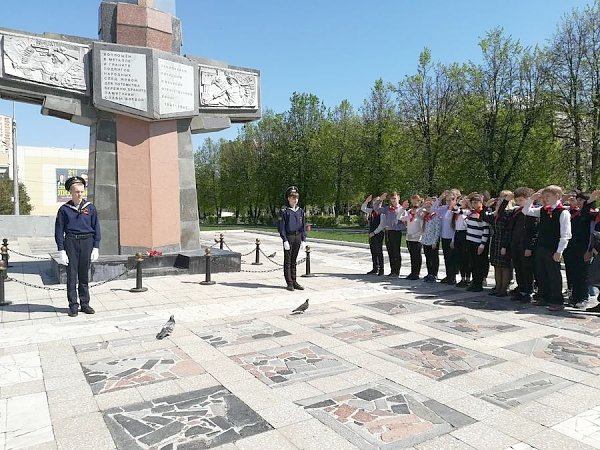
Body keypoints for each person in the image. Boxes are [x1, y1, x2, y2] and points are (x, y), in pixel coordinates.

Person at [54, 176, 100, 317]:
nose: (80, 194)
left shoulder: (90, 208)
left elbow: (96, 227)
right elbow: (58, 230)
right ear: (71, 192)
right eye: (76, 192)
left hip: (87, 242)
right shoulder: (64, 210)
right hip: (71, 243)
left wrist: (96, 246)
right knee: (72, 277)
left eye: (81, 191)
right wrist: (61, 250)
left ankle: (85, 304)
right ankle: (73, 305)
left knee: (84, 276)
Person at [524, 185, 572, 311]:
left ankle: (557, 300)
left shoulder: (563, 212)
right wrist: (531, 199)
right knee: (541, 273)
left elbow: (566, 234)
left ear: (557, 196)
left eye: (547, 196)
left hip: (553, 247)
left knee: (554, 275)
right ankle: (544, 297)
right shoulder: (543, 210)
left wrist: (559, 251)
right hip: (541, 246)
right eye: (544, 196)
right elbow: (526, 211)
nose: (545, 199)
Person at [563, 190, 599, 308]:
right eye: (577, 199)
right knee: (572, 273)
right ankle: (574, 296)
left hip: (584, 248)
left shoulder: (591, 214)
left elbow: (591, 233)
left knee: (582, 274)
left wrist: (589, 250)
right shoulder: (572, 213)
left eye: (581, 200)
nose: (578, 202)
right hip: (571, 247)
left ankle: (583, 297)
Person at [506, 187, 539, 303]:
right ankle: (521, 290)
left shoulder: (533, 212)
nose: (519, 202)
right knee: (518, 269)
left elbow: (535, 231)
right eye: (517, 200)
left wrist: (530, 247)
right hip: (516, 243)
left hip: (526, 246)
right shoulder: (516, 211)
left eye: (521, 200)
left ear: (529, 199)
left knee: (527, 270)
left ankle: (529, 291)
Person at [371, 192, 407, 277]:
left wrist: (394, 227)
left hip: (396, 232)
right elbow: (376, 209)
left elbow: (404, 225)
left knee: (396, 252)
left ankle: (396, 271)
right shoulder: (388, 209)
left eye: (395, 198)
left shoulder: (402, 209)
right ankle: (392, 271)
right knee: (390, 252)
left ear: (398, 198)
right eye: (391, 199)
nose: (393, 200)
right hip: (388, 233)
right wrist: (380, 200)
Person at [485, 191, 513, 297]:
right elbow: (484, 217)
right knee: (496, 265)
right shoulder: (495, 215)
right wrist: (486, 206)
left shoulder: (509, 213)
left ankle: (503, 289)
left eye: (502, 201)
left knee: (504, 267)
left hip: (504, 242)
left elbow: (508, 231)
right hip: (496, 240)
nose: (498, 204)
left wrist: (505, 246)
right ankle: (498, 287)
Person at [278, 186, 306, 291]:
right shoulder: (284, 211)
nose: (295, 199)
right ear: (288, 198)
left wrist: (303, 239)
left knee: (294, 261)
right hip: (289, 237)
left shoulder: (300, 211)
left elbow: (303, 226)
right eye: (293, 197)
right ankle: (289, 282)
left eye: (297, 197)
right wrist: (284, 239)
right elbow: (281, 227)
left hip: (297, 236)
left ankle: (294, 281)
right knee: (288, 261)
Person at [433, 190, 459, 284]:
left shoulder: (456, 210)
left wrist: (453, 239)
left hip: (451, 237)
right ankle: (448, 275)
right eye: (447, 200)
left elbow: (456, 227)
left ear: (455, 200)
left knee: (452, 258)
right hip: (444, 237)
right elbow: (433, 209)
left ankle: (453, 277)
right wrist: (440, 198)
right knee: (446, 258)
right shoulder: (444, 208)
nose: (449, 202)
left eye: (451, 200)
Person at [465, 193, 490, 292]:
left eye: (476, 202)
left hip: (478, 242)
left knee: (478, 264)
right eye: (473, 203)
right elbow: (455, 208)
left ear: (481, 203)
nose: (474, 204)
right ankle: (474, 282)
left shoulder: (482, 214)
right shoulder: (471, 212)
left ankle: (478, 284)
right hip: (470, 240)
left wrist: (482, 245)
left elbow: (486, 230)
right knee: (472, 264)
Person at [399, 195, 424, 280]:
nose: (414, 202)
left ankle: (416, 273)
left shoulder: (421, 211)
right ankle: (413, 272)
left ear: (419, 201)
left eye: (416, 201)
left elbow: (422, 228)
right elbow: (399, 217)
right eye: (412, 201)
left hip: (417, 238)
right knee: (412, 256)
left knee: (417, 256)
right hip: (409, 237)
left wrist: (414, 235)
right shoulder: (410, 212)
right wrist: (402, 209)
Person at [361, 194, 384, 275]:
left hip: (378, 233)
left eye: (377, 202)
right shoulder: (371, 211)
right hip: (371, 233)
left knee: (379, 251)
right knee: (373, 251)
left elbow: (382, 225)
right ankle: (375, 268)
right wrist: (367, 201)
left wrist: (374, 233)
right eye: (374, 202)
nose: (375, 203)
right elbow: (363, 208)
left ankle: (381, 269)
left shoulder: (382, 212)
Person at [421, 197, 441, 282]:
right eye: (427, 207)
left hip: (432, 240)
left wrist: (435, 241)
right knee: (428, 258)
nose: (428, 208)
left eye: (430, 207)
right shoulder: (426, 216)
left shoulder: (436, 216)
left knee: (434, 258)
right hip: (426, 240)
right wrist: (423, 206)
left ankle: (434, 274)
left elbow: (437, 230)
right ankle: (429, 273)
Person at [453, 196, 471, 287]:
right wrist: (458, 203)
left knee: (465, 258)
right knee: (459, 257)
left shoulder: (468, 211)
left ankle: (468, 278)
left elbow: (460, 211)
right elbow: (455, 208)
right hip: (457, 233)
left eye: (463, 201)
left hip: (465, 234)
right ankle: (462, 277)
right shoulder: (458, 211)